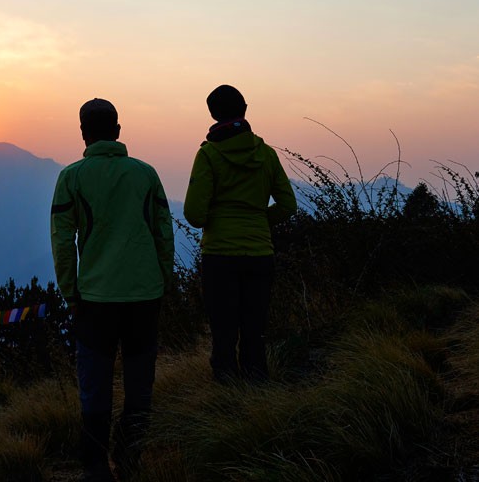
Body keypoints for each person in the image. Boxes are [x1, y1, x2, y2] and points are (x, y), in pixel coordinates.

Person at [51, 98, 174, 481]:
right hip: (144, 296)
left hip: (95, 300)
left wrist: (71, 293)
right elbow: (163, 233)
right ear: (118, 131)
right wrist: (162, 282)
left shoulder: (72, 177)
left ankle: (95, 466)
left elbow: (61, 241)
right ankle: (130, 458)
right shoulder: (146, 174)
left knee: (95, 385)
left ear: (84, 133)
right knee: (140, 385)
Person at [183, 85, 297, 383]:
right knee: (254, 331)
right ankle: (257, 396)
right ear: (245, 109)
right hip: (260, 255)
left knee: (223, 334)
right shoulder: (267, 154)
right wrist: (259, 220)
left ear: (211, 113)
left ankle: (226, 401)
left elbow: (194, 215)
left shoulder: (208, 155)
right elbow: (287, 205)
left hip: (220, 256)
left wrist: (219, 221)